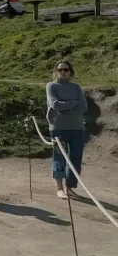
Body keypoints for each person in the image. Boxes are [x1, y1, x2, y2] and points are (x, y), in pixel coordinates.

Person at [46, 61, 87, 200]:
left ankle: (68, 188)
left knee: (75, 159)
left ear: (71, 72)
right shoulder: (51, 86)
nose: (62, 72)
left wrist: (66, 108)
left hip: (77, 128)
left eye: (66, 69)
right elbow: (55, 105)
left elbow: (83, 107)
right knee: (59, 158)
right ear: (56, 71)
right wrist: (73, 104)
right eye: (60, 69)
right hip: (58, 127)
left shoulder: (76, 87)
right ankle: (59, 188)